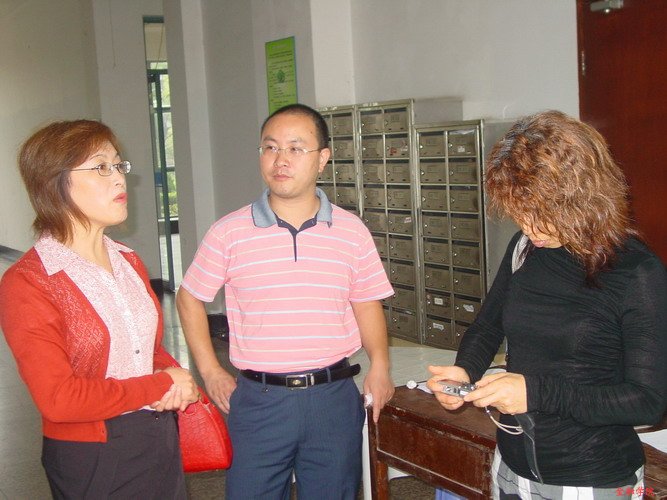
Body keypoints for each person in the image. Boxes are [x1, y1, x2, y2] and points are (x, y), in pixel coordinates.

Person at [427, 110, 667, 499]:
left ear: (581, 196)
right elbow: (488, 325)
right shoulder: (524, 247)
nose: (528, 226)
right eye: (519, 212)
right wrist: (463, 370)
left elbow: (647, 402)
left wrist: (535, 393)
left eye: (540, 212)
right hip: (511, 466)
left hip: (592, 478)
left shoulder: (636, 271)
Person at [176, 103, 395, 499]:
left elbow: (366, 302)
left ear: (322, 159)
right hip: (260, 401)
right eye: (270, 147)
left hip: (332, 398)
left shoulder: (351, 231)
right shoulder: (229, 232)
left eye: (295, 148)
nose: (280, 159)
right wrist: (210, 370)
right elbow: (189, 297)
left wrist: (380, 364)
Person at [0, 120, 199, 499]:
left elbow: (145, 350)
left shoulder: (128, 261)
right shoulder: (30, 282)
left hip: (157, 434)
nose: (120, 178)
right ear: (54, 183)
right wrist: (160, 384)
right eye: (101, 167)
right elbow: (58, 399)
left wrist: (169, 374)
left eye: (118, 165)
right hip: (95, 453)